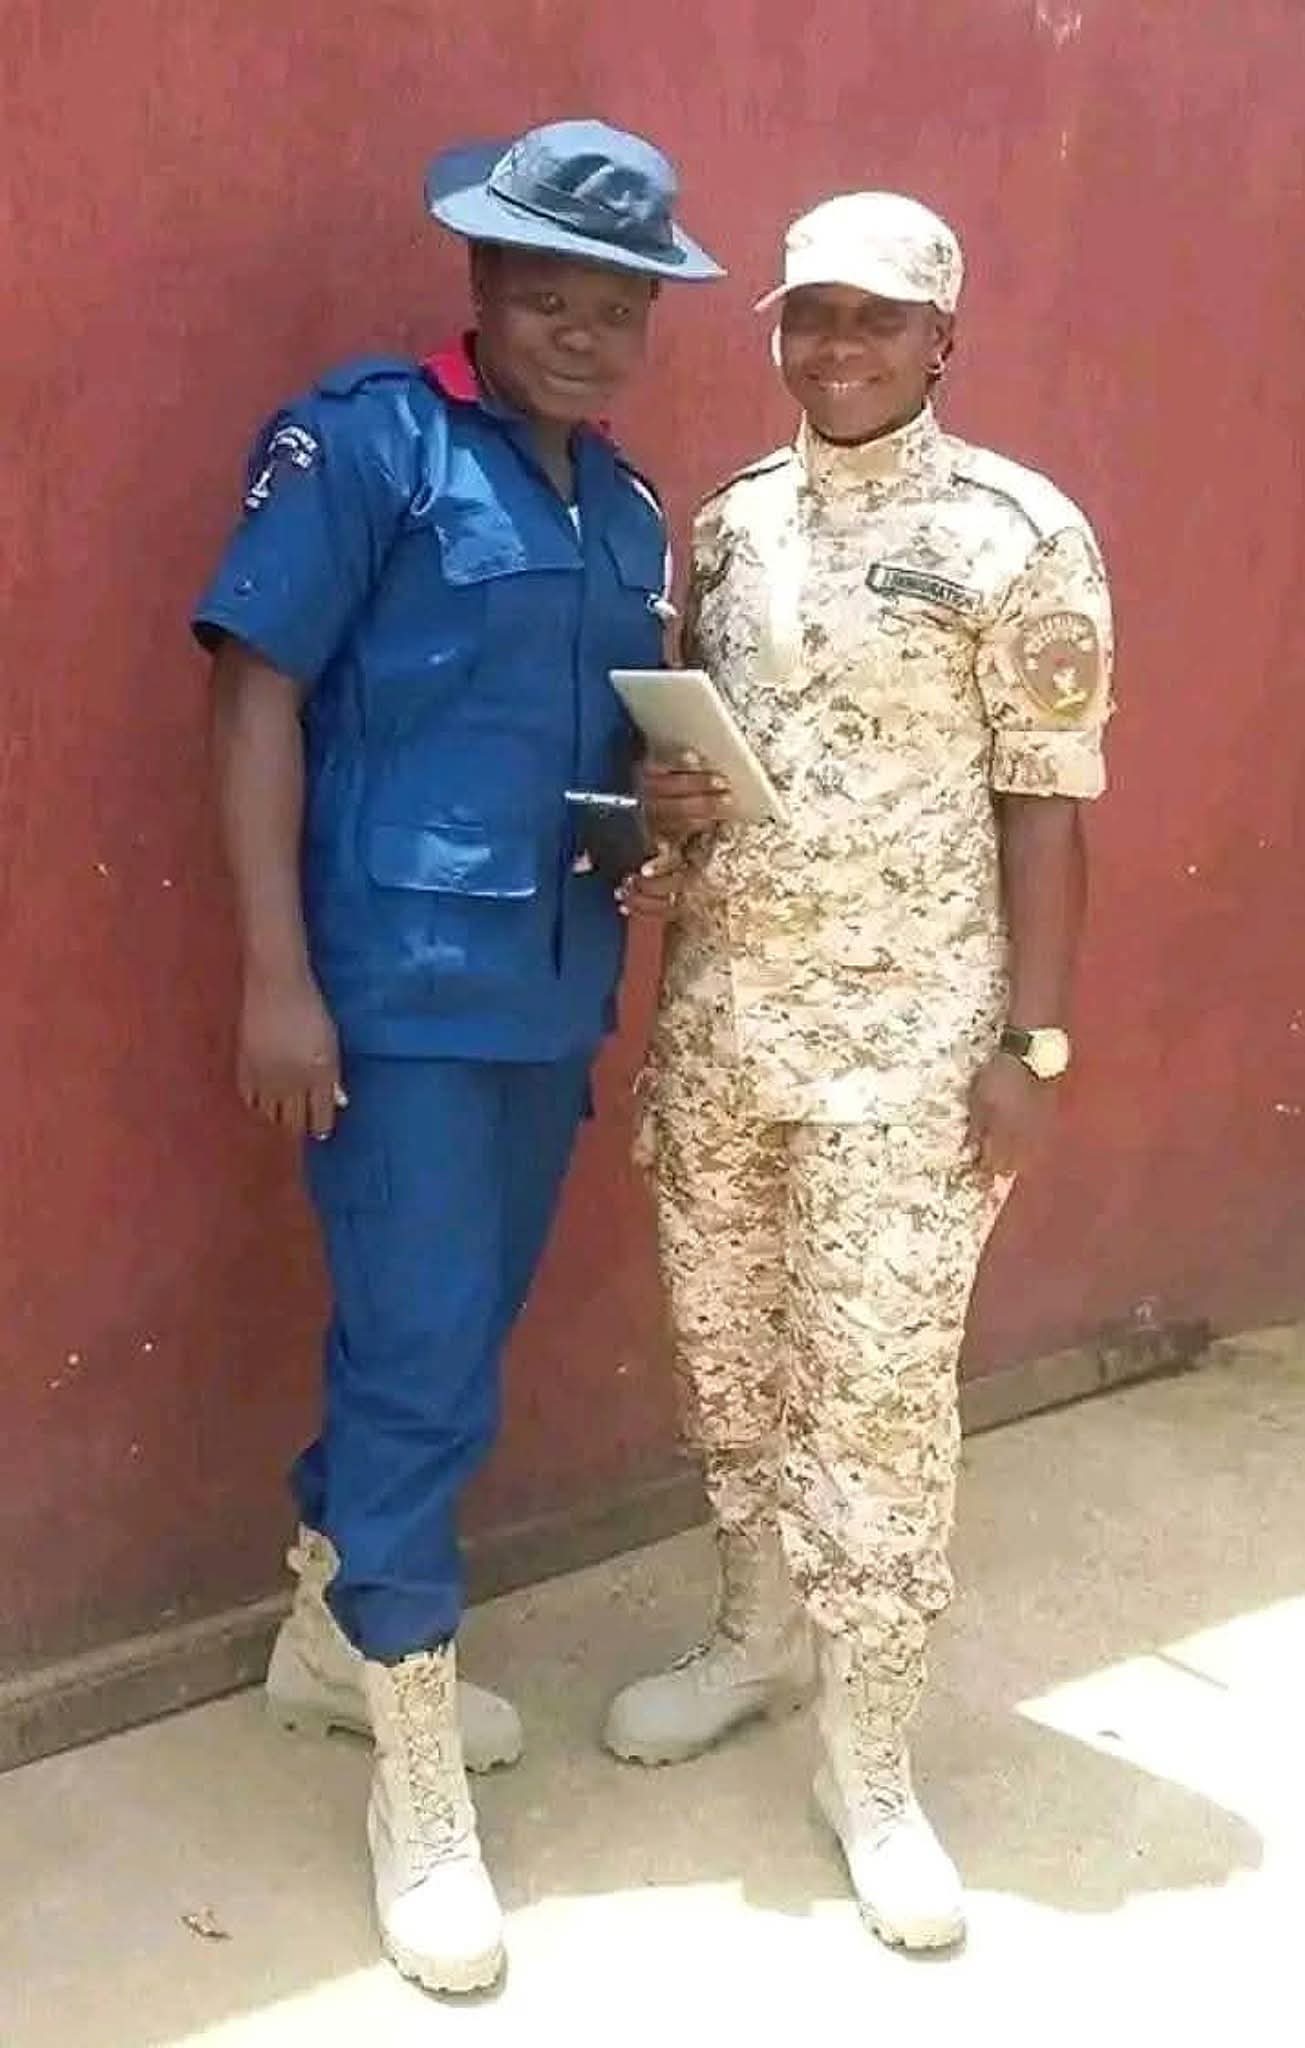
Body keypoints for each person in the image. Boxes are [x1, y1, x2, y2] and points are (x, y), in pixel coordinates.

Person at [194, 119, 720, 1995]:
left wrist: (654, 811)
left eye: (620, 307)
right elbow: (255, 694)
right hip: (394, 998)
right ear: (483, 287)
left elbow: (577, 759)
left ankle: (328, 1637)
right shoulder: (369, 444)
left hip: (546, 992)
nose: (587, 333)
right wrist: (277, 978)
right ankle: (413, 1776)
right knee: (423, 1369)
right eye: (552, 297)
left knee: (442, 1345)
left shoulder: (628, 509)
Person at [607, 192, 1114, 1951]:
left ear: (940, 338)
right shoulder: (730, 523)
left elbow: (1045, 805)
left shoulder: (1017, 533)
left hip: (909, 1054)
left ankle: (871, 1754)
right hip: (726, 1031)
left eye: (875, 319)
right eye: (809, 316)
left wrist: (1031, 1043)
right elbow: (704, 762)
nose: (836, 348)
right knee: (728, 1358)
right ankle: (755, 1637)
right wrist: (666, 811)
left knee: (879, 1404)